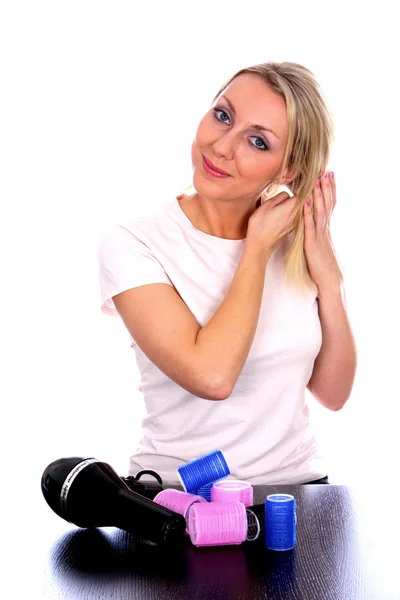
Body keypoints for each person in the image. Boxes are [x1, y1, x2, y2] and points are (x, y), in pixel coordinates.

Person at [97, 61, 357, 486]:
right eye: (223, 116)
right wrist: (255, 249)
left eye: (257, 141)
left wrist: (330, 281)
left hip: (295, 494)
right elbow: (212, 376)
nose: (221, 147)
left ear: (287, 170)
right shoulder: (135, 242)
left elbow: (333, 392)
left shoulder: (299, 245)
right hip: (175, 499)